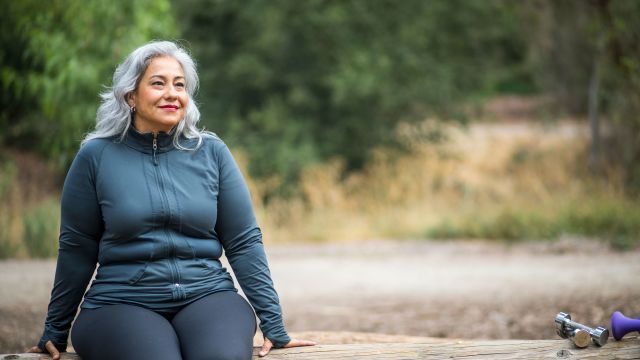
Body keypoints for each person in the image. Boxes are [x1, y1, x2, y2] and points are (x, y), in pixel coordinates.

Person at [28, 40, 315, 360]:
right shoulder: (96, 156)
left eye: (180, 85)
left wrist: (274, 325)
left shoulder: (211, 152)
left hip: (207, 295)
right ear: (130, 96)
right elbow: (77, 247)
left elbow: (243, 241)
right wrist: (55, 328)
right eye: (158, 83)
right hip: (121, 302)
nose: (172, 93)